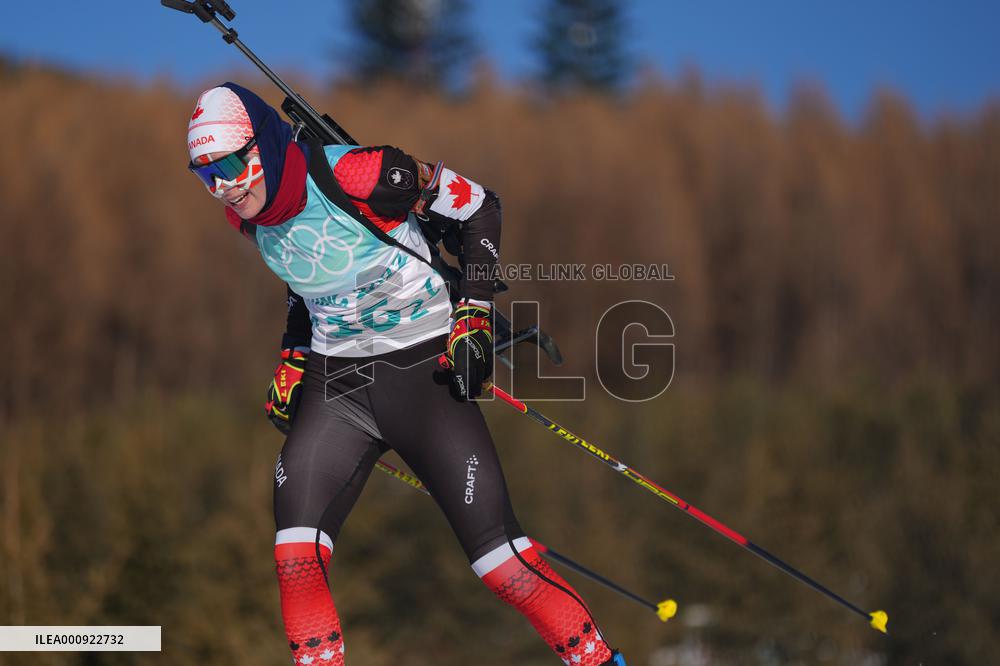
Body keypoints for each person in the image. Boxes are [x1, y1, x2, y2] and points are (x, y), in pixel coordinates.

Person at [185, 82, 626, 666]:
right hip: (336, 384)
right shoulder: (247, 219)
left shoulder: (361, 174)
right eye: (204, 174)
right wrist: (293, 355)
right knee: (295, 557)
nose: (222, 186)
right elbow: (306, 280)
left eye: (231, 164)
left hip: (423, 374)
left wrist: (470, 311)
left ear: (262, 144)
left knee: (499, 565)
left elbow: (479, 207)